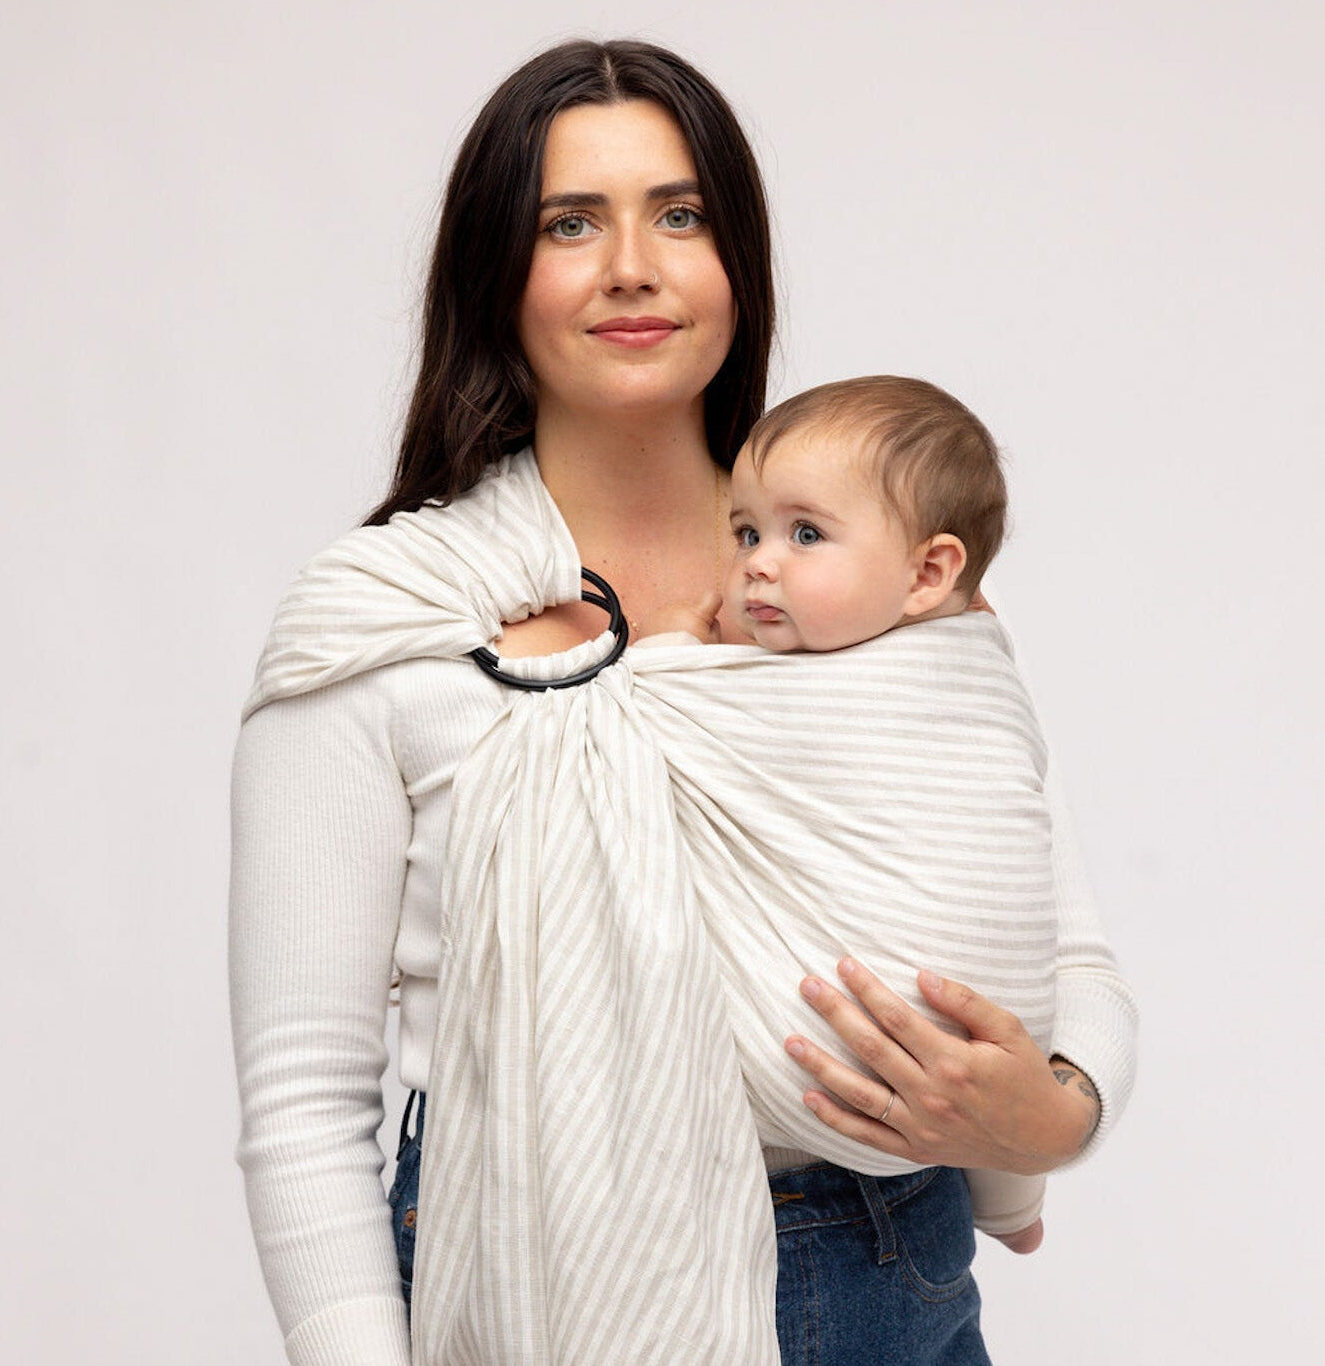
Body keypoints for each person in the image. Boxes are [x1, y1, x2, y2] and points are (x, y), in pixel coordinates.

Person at [229, 38, 1137, 1366]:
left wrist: (1052, 1120)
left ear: (735, 260)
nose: (631, 266)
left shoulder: (877, 584)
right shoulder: (387, 621)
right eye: (568, 223)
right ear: (496, 271)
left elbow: (1059, 954)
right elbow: (304, 1103)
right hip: (536, 1276)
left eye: (679, 214)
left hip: (894, 1264)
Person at [641, 372, 1054, 1254]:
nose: (758, 562)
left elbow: (641, 709)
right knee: (995, 1011)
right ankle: (1014, 1208)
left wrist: (673, 644)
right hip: (984, 1077)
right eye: (745, 532)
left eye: (805, 535)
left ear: (928, 574)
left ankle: (1014, 1197)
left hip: (847, 1079)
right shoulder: (980, 657)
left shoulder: (824, 690)